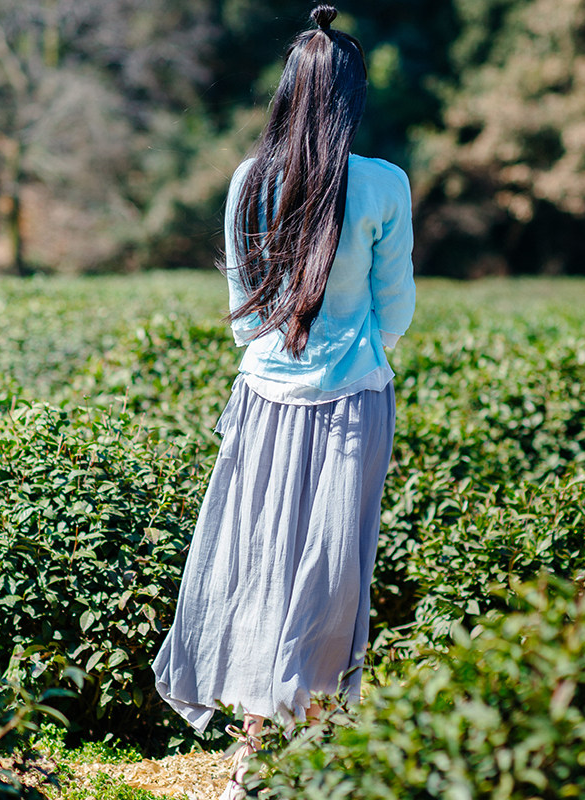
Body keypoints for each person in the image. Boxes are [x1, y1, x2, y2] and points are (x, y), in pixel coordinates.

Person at [151, 5, 416, 798]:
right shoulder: (383, 184)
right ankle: (309, 750)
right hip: (351, 403)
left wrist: (283, 357)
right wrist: (350, 348)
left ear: (286, 93)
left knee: (256, 565)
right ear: (349, 97)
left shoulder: (247, 181)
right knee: (333, 571)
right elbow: (394, 309)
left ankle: (251, 753)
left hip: (264, 396)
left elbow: (240, 305)